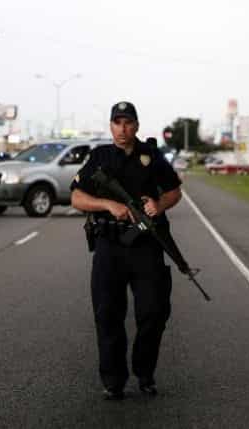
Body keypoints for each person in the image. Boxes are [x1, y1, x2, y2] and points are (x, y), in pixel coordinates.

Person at [71, 101, 182, 400]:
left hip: (146, 245)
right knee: (108, 314)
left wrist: (158, 205)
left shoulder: (151, 156)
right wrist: (108, 204)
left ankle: (144, 372)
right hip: (109, 246)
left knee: (154, 311)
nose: (122, 128)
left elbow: (174, 191)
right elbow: (77, 198)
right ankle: (113, 380)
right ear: (111, 126)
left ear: (136, 126)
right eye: (117, 122)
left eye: (128, 123)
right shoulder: (100, 157)